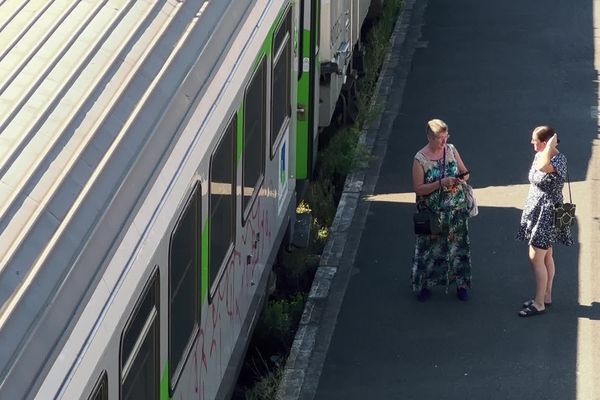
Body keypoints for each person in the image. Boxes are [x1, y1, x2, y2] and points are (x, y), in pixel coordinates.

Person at [411, 119, 472, 301]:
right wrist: (440, 183)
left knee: (458, 248)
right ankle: (426, 286)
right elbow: (418, 188)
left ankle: (461, 284)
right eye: (440, 139)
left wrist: (462, 178)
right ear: (429, 137)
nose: (444, 142)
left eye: (446, 137)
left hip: (456, 211)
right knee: (430, 250)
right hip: (432, 214)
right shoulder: (420, 159)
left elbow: (465, 171)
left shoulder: (451, 150)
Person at [516, 125, 573, 317]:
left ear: (545, 142)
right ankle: (545, 296)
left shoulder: (558, 160)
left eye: (536, 141)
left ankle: (539, 302)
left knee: (536, 257)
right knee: (547, 256)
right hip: (538, 211)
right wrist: (545, 147)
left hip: (546, 214)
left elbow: (542, 167)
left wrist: (550, 144)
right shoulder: (540, 155)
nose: (532, 144)